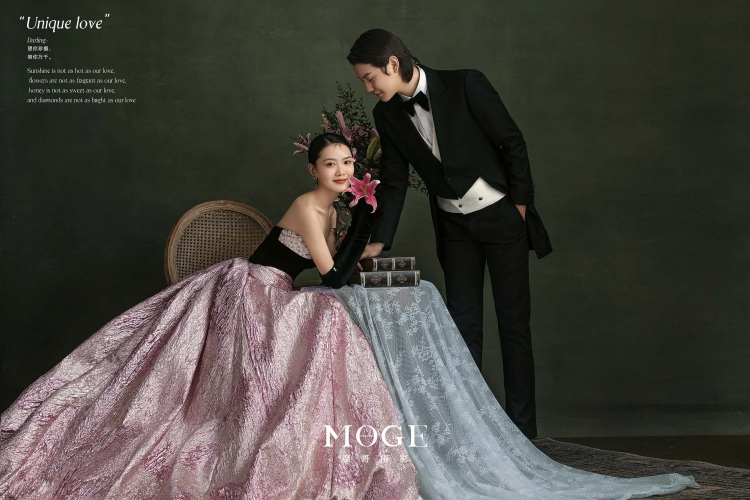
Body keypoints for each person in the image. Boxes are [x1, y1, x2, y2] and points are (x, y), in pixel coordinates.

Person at [0, 133, 420, 499]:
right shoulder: (308, 207)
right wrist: (362, 223)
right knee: (326, 313)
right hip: (251, 289)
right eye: (330, 164)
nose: (342, 171)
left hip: (276, 290)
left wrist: (367, 234)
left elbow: (337, 264)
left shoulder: (330, 212)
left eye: (347, 162)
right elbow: (332, 276)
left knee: (324, 315)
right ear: (313, 169)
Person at [347, 28, 551, 440]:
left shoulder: (466, 83)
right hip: (453, 228)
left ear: (392, 64)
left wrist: (518, 206)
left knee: (513, 326)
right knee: (462, 328)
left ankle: (523, 435)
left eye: (370, 78)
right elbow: (395, 181)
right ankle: (472, 435)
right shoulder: (386, 115)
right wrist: (380, 241)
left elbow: (511, 142)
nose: (369, 88)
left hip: (501, 218)